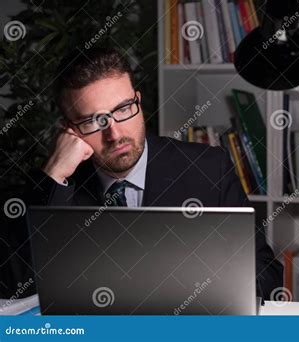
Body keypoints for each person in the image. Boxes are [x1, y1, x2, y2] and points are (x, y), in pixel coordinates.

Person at [4, 47, 282, 300]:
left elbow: (266, 272)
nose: (115, 134)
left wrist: (212, 297)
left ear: (138, 102)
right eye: (93, 121)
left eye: (123, 109)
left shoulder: (209, 168)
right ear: (70, 130)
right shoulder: (55, 186)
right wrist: (55, 172)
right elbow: (14, 285)